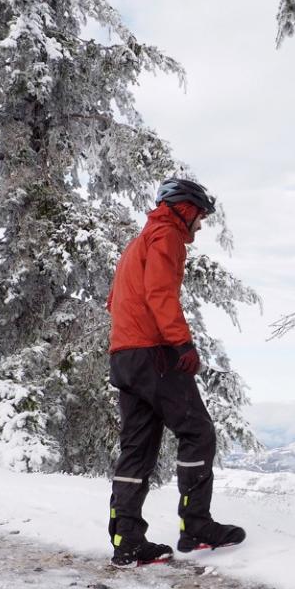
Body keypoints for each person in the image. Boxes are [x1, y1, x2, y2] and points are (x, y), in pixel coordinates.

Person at [105, 178, 245, 568]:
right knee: (197, 432)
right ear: (185, 209)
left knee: (137, 450)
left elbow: (114, 301)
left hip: (125, 356)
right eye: (199, 216)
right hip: (154, 354)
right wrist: (181, 343)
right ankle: (196, 527)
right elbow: (159, 293)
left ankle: (127, 542)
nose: (200, 225)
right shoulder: (166, 236)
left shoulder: (138, 242)